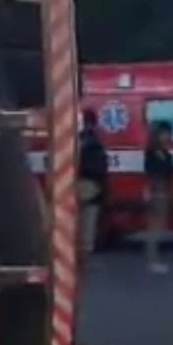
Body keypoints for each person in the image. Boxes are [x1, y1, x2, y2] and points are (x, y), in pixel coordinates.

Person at [141, 122, 173, 273]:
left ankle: (154, 258)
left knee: (158, 226)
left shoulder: (163, 152)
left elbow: (167, 170)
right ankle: (152, 260)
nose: (169, 137)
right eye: (167, 133)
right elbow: (154, 172)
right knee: (154, 227)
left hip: (163, 191)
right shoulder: (152, 152)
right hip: (156, 191)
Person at [77, 108, 109, 258]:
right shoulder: (92, 141)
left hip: (83, 182)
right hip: (90, 184)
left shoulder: (80, 139)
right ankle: (84, 253)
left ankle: (80, 251)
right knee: (88, 220)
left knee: (82, 219)